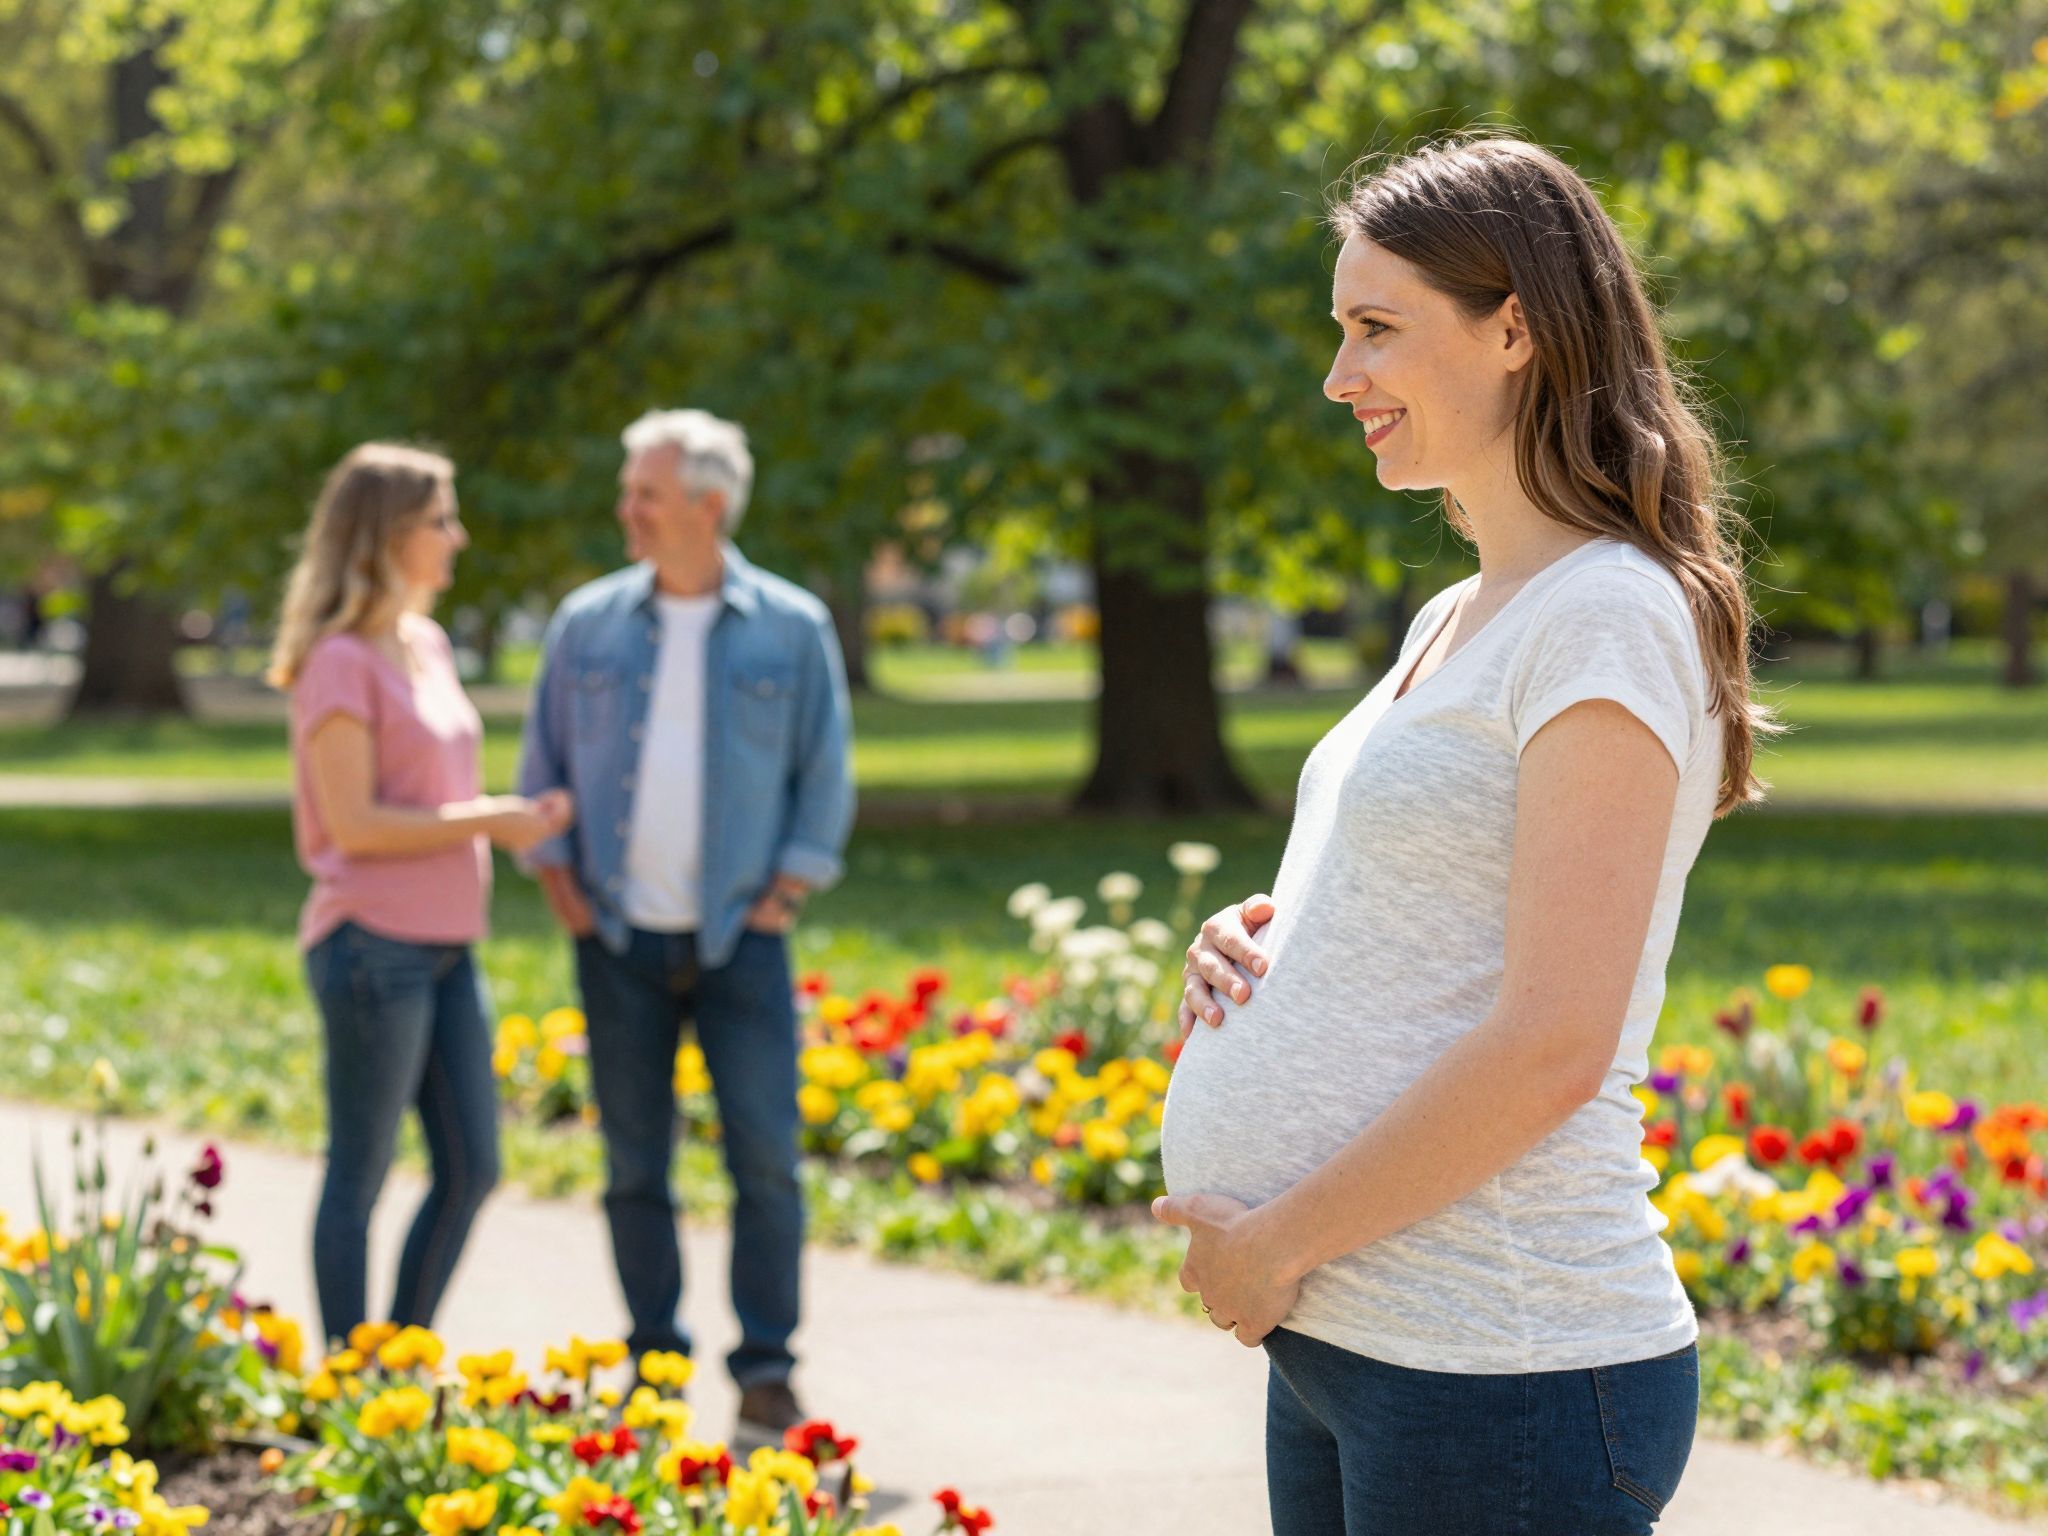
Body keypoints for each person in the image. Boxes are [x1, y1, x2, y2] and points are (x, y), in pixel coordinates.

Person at [1153, 135, 1777, 1535]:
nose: (1339, 377)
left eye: (1376, 330)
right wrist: (1264, 941)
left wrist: (1271, 1247)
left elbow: (1557, 1038)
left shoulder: (1607, 616)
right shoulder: (1460, 613)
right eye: (1339, 331)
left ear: (1514, 329)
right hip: (1354, 1338)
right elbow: (1440, 898)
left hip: (1501, 1362)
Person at [517, 408, 854, 1434]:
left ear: (707, 505)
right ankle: (654, 1361)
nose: (625, 510)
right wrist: (561, 891)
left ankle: (764, 1366)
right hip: (615, 941)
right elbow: (541, 766)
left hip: (739, 944)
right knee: (632, 1166)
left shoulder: (792, 627)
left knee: (763, 1159)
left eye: (643, 495)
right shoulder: (585, 622)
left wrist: (783, 895)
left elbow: (823, 772)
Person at [269, 443, 574, 1345]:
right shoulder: (338, 663)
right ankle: (347, 1381)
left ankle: (397, 1360)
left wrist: (514, 817)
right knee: (359, 1173)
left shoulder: (426, 643)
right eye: (441, 518)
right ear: (387, 533)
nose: (458, 535)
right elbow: (355, 824)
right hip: (371, 943)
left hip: (447, 943)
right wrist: (490, 820)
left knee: (474, 1166)